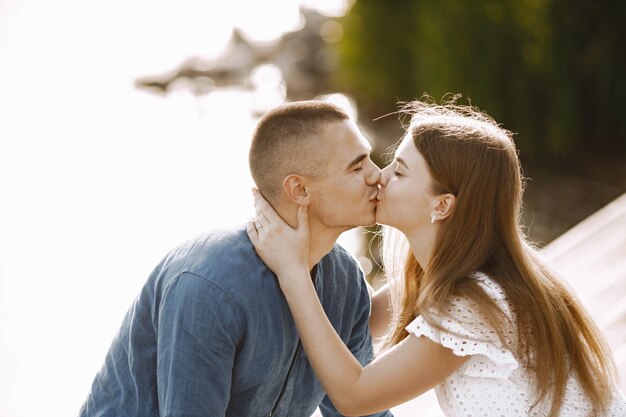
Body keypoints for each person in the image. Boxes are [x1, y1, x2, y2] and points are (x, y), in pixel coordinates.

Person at [248, 97, 626, 417]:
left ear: (442, 205)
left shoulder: (475, 302)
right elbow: (360, 317)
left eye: (400, 171)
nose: (380, 176)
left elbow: (355, 396)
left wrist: (293, 271)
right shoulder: (457, 272)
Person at [78, 100, 392, 417]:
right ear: (299, 189)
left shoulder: (345, 280)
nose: (377, 176)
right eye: (357, 166)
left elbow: (360, 407)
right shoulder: (210, 285)